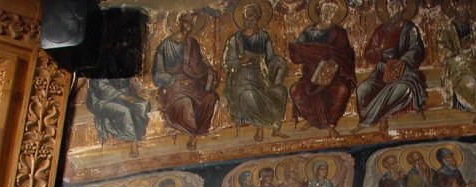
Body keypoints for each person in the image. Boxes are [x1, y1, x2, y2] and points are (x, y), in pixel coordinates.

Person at [355, 0, 427, 133]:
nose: (393, 10)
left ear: (403, 7)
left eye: (396, 6)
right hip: (381, 72)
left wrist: (403, 60)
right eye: (390, 7)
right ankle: (373, 117)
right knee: (362, 90)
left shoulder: (410, 28)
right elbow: (368, 54)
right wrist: (378, 51)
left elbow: (417, 50)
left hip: (403, 72)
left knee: (404, 89)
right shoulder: (381, 30)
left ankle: (372, 120)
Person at [289, 0, 357, 137]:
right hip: (311, 74)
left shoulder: (339, 32)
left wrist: (332, 61)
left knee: (341, 91)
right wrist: (298, 51)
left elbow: (346, 54)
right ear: (320, 10)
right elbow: (298, 52)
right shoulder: (308, 32)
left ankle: (331, 124)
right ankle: (313, 120)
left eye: (332, 9)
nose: (329, 12)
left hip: (333, 74)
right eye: (326, 8)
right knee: (296, 90)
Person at [152, 10, 219, 149]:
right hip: (173, 86)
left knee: (211, 97)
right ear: (179, 22)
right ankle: (192, 134)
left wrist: (208, 70)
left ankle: (199, 130)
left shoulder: (192, 43)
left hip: (193, 84)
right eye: (187, 22)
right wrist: (175, 81)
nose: (189, 27)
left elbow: (198, 65)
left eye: (192, 24)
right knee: (186, 102)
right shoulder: (166, 45)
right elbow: (158, 74)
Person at [223, 1, 289, 142]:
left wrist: (280, 64)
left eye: (251, 16)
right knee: (250, 94)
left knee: (280, 91)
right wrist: (241, 62)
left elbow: (270, 58)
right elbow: (228, 62)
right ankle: (260, 129)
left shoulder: (264, 37)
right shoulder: (235, 40)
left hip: (261, 76)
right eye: (246, 16)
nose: (248, 19)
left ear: (258, 17)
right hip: (241, 79)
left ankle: (275, 128)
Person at [85, 18, 149, 158]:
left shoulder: (126, 57)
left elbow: (129, 78)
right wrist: (123, 96)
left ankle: (136, 134)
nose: (126, 44)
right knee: (125, 110)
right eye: (124, 41)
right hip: (101, 99)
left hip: (123, 95)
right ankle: (133, 142)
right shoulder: (103, 59)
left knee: (143, 105)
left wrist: (138, 89)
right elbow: (101, 86)